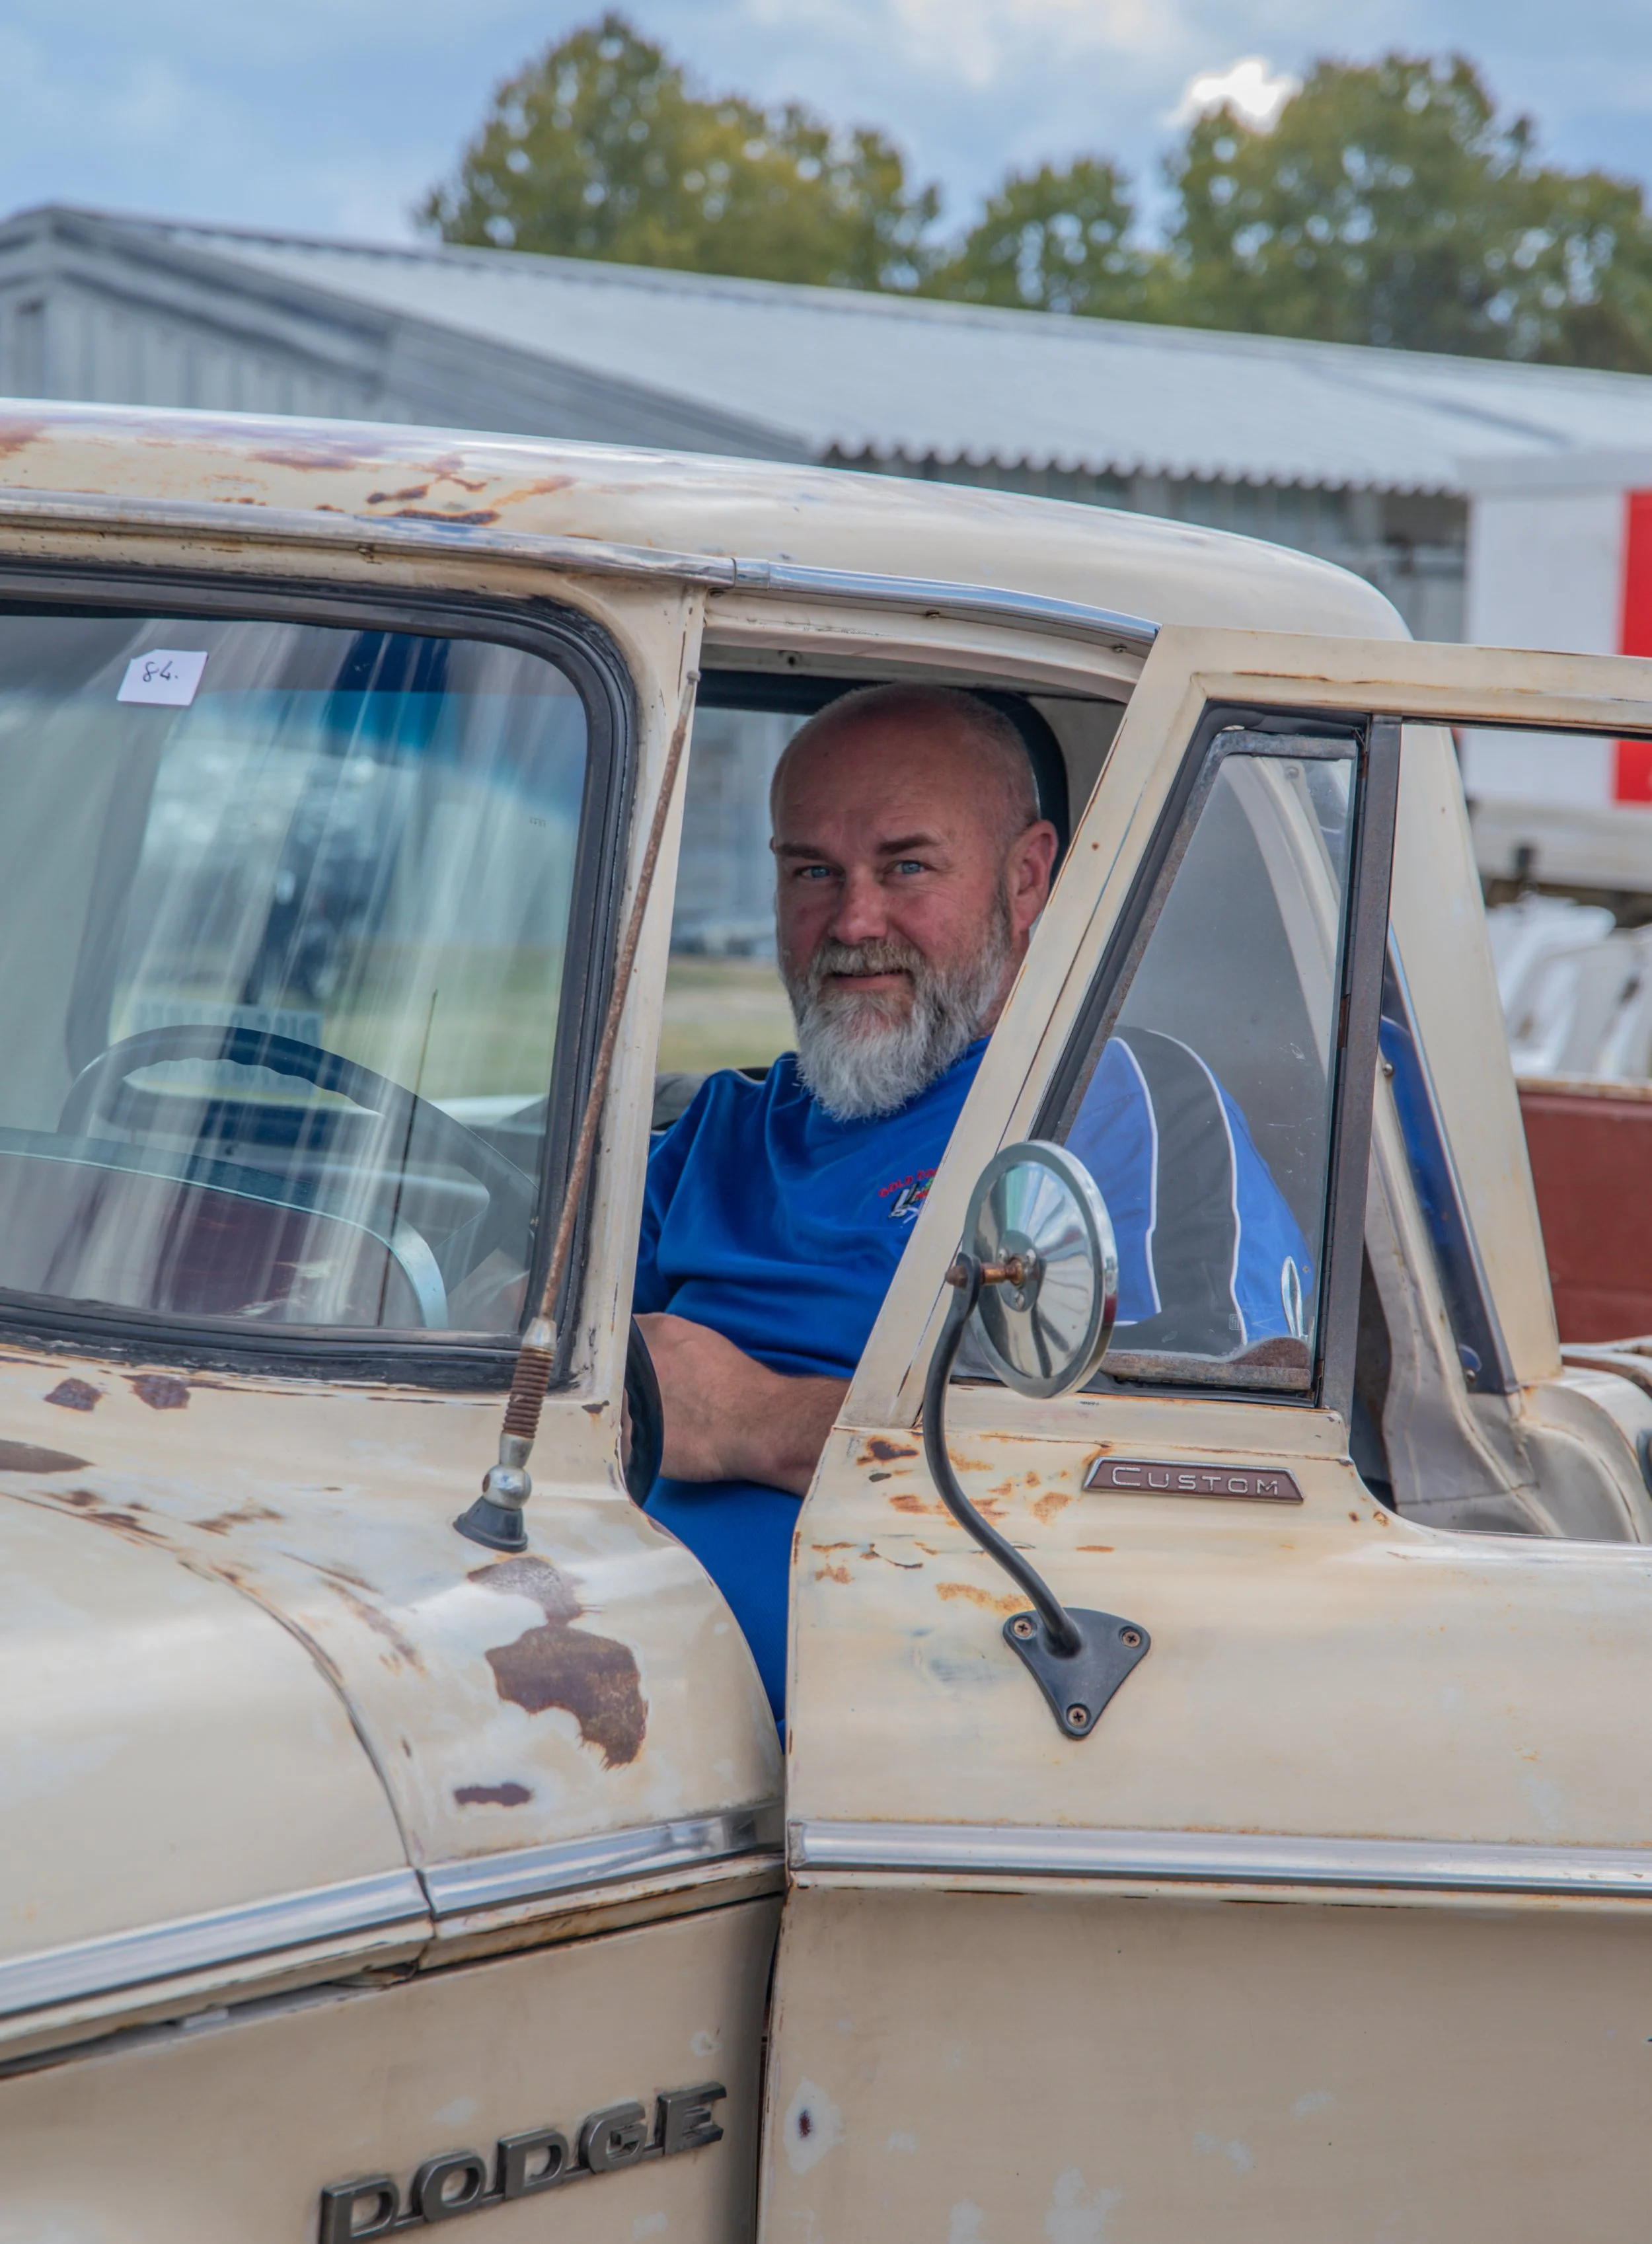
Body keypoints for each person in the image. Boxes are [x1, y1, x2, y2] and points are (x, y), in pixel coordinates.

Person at [634, 685, 1310, 1723]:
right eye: (813, 871)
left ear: (1028, 876)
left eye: (907, 866)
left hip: (912, 1751)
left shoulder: (1111, 1104)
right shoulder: (717, 1132)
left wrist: (751, 1423)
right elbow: (547, 1372)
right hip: (610, 1700)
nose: (854, 922)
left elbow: (1205, 1477)